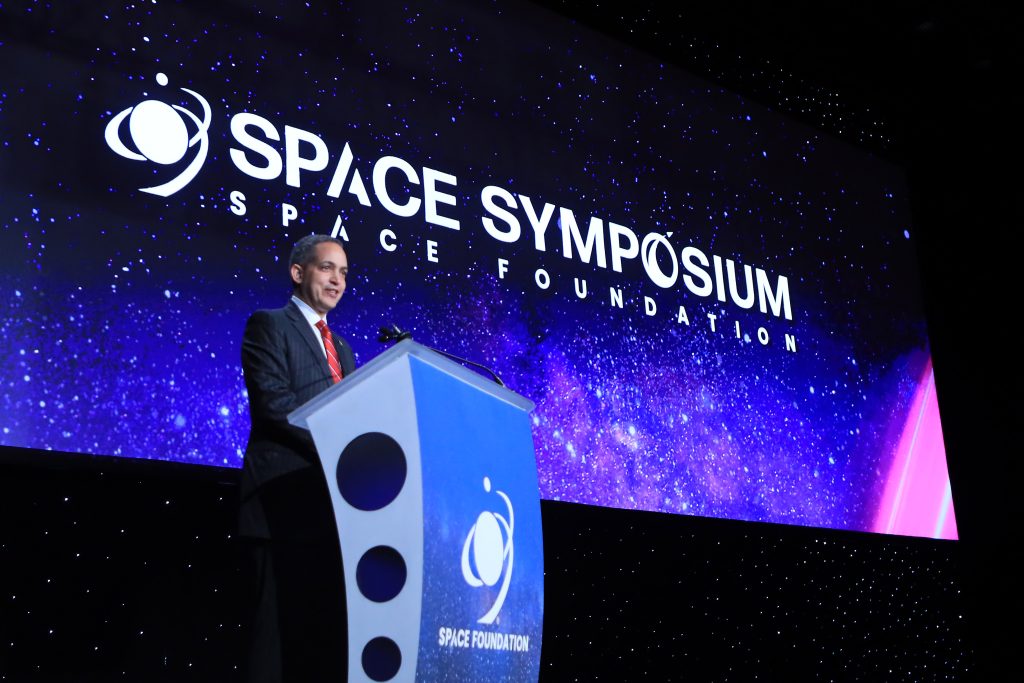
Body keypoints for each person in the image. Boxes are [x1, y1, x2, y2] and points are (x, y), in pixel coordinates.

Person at [238, 234, 356, 683]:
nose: (337, 280)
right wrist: (342, 446)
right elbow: (275, 405)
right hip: (278, 509)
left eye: (344, 273)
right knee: (272, 644)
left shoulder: (341, 348)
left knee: (316, 645)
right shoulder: (268, 325)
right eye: (327, 268)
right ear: (298, 273)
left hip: (330, 515)